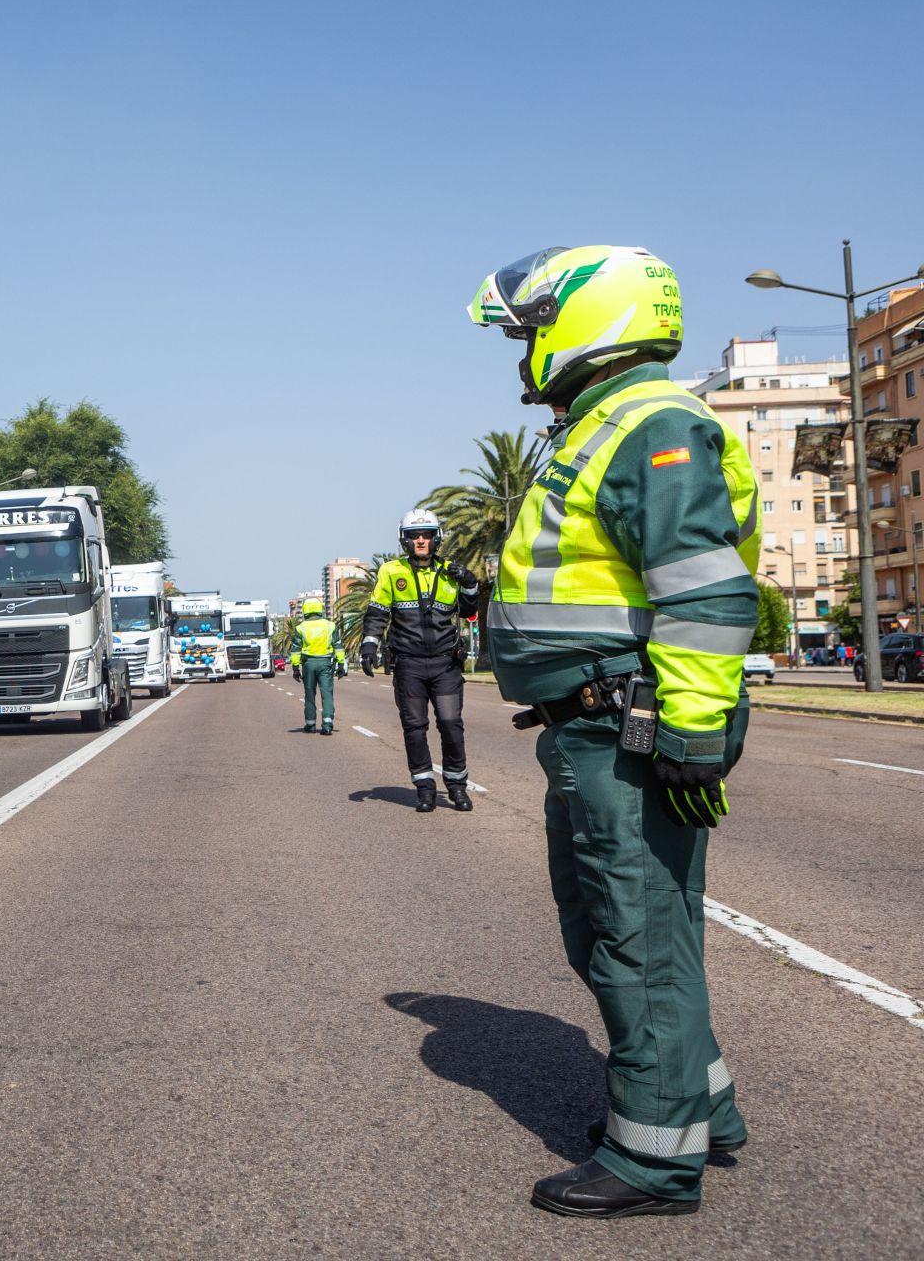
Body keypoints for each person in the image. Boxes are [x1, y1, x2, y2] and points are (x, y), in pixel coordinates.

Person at [469, 245, 758, 1218]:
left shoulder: (651, 424)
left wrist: (689, 725)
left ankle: (653, 1157)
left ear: (587, 321)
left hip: (624, 722)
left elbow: (707, 590)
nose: (525, 350)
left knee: (630, 931)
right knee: (635, 927)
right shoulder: (607, 424)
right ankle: (699, 1107)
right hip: (604, 719)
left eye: (533, 328)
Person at [358, 509, 479, 812]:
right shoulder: (390, 572)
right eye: (414, 536)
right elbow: (376, 614)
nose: (421, 540)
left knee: (451, 723)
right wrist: (369, 646)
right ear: (405, 540)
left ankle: (457, 787)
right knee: (414, 727)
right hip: (409, 664)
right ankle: (425, 787)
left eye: (426, 535)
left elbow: (468, 611)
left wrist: (470, 583)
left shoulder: (451, 571)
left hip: (445, 663)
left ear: (436, 538)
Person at [289, 597, 345, 734]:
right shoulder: (330, 626)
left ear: (305, 611)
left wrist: (295, 668)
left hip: (308, 664)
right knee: (326, 693)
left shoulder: (300, 628)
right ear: (320, 609)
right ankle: (327, 723)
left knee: (309, 694)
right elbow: (338, 646)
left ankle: (310, 724)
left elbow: (296, 649)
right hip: (326, 663)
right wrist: (341, 664)